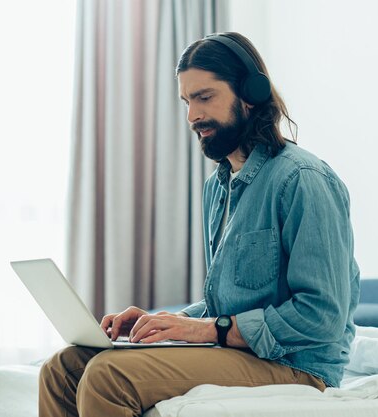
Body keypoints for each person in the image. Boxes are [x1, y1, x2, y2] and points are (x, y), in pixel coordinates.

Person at [39, 32, 360, 417]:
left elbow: (321, 316)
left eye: (204, 97)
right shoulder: (217, 186)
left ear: (250, 94)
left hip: (297, 366)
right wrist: (170, 322)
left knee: (110, 376)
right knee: (62, 369)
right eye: (187, 101)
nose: (192, 116)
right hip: (240, 351)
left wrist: (208, 330)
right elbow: (228, 304)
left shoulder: (303, 179)